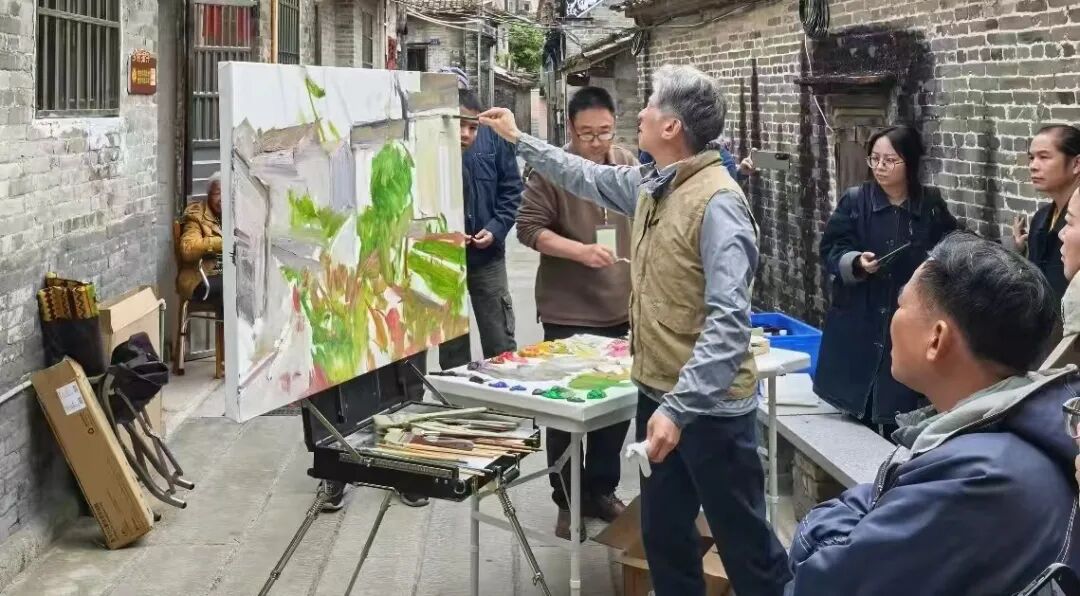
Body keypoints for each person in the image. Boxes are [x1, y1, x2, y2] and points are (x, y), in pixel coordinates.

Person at [481, 64, 789, 596]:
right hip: (657, 395)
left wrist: (679, 408)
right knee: (665, 536)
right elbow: (582, 175)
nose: (639, 113)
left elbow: (728, 325)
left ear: (671, 127)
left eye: (650, 104)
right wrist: (518, 138)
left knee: (744, 544)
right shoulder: (653, 184)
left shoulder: (718, 204)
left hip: (711, 412)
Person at [786, 232, 1080, 595]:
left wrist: (813, 529)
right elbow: (880, 499)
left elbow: (821, 580)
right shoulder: (995, 443)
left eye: (901, 304)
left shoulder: (978, 479)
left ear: (937, 339)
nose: (893, 319)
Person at [515, 87, 636, 540]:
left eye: (605, 132)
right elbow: (528, 229)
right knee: (566, 412)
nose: (597, 142)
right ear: (570, 128)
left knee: (615, 410)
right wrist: (579, 251)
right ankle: (567, 501)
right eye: (587, 134)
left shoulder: (627, 164)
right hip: (568, 309)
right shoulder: (553, 170)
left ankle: (601, 490)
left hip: (619, 306)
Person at [813, 126, 958, 435]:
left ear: (910, 162)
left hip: (907, 320)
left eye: (890, 160)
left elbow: (952, 243)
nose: (880, 167)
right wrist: (856, 262)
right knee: (856, 416)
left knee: (899, 413)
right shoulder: (856, 201)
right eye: (874, 159)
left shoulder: (930, 204)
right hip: (859, 319)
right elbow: (831, 248)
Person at [438, 88, 523, 371]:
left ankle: (504, 394)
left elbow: (512, 190)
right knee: (452, 349)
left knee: (500, 343)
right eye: (459, 125)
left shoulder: (495, 139)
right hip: (444, 263)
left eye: (472, 127)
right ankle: (457, 396)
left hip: (487, 258)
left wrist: (495, 229)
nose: (465, 134)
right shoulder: (429, 148)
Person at [1012, 124, 1080, 301]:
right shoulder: (1041, 218)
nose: (1033, 166)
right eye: (1031, 158)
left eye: (1044, 157)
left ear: (1076, 164)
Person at [178, 171, 224, 313]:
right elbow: (187, 248)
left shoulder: (235, 214)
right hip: (201, 279)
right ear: (208, 194)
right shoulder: (197, 215)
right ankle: (226, 327)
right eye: (218, 193)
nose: (222, 199)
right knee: (233, 287)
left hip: (226, 275)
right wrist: (221, 243)